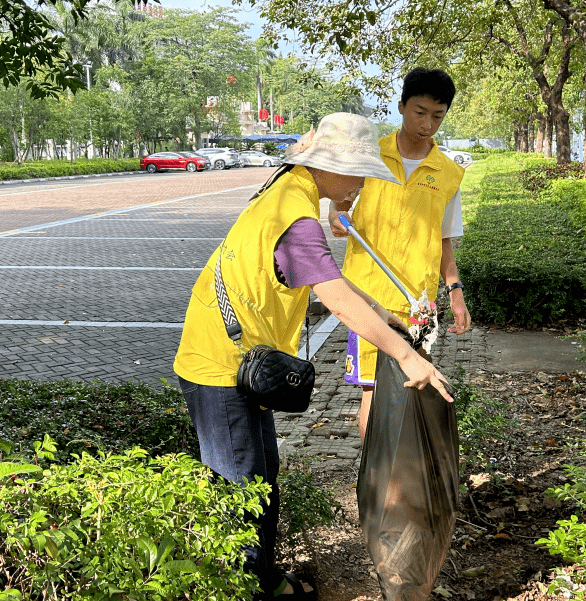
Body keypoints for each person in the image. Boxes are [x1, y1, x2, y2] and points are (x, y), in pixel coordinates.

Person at [173, 112, 453, 601]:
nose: (364, 186)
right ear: (331, 166)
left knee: (261, 477)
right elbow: (334, 296)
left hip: (245, 360)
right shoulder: (294, 214)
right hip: (219, 365)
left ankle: (265, 577)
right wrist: (407, 358)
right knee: (241, 489)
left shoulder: (292, 190)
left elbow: (326, 283)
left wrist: (380, 313)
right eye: (361, 174)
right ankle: (248, 588)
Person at [328, 67, 471, 439]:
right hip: (368, 299)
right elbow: (338, 201)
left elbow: (444, 240)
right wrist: (335, 214)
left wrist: (455, 292)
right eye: (419, 112)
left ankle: (402, 479)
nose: (427, 124)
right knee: (373, 393)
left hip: (417, 303)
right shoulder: (370, 156)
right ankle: (375, 484)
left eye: (437, 116)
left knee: (411, 386)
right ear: (401, 106)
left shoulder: (449, 173)